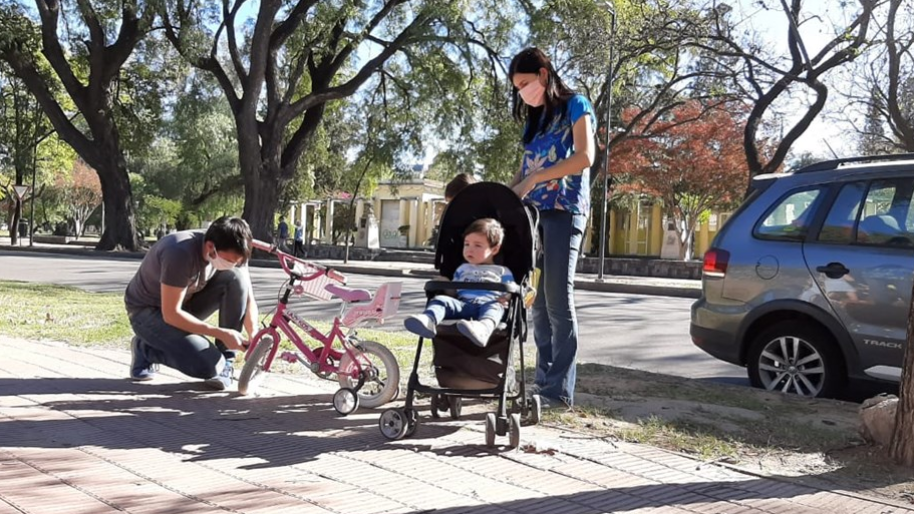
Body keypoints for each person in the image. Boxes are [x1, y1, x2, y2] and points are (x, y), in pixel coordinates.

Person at [507, 47, 596, 408]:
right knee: (538, 305)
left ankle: (558, 391)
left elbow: (585, 156)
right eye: (517, 87)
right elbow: (524, 170)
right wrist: (506, 195)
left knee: (558, 301)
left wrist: (537, 179)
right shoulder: (535, 119)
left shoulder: (577, 105)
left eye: (525, 83)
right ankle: (543, 384)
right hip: (535, 218)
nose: (522, 92)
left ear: (544, 75)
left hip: (565, 211)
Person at [124, 216, 260, 390]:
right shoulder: (179, 252)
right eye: (231, 261)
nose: (234, 264)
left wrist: (254, 333)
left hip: (183, 305)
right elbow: (171, 314)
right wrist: (220, 333)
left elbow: (248, 298)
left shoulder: (234, 249)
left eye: (238, 262)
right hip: (147, 312)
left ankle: (226, 362)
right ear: (211, 247)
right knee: (208, 366)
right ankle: (145, 349)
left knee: (236, 279)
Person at [404, 218, 514, 347]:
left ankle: (483, 328)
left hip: (488, 304)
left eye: (477, 245)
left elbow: (511, 288)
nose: (469, 250)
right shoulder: (462, 269)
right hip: (463, 305)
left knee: (496, 308)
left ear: (494, 250)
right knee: (441, 300)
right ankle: (429, 319)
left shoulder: (501, 271)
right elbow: (453, 293)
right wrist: (446, 284)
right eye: (466, 244)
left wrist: (507, 297)